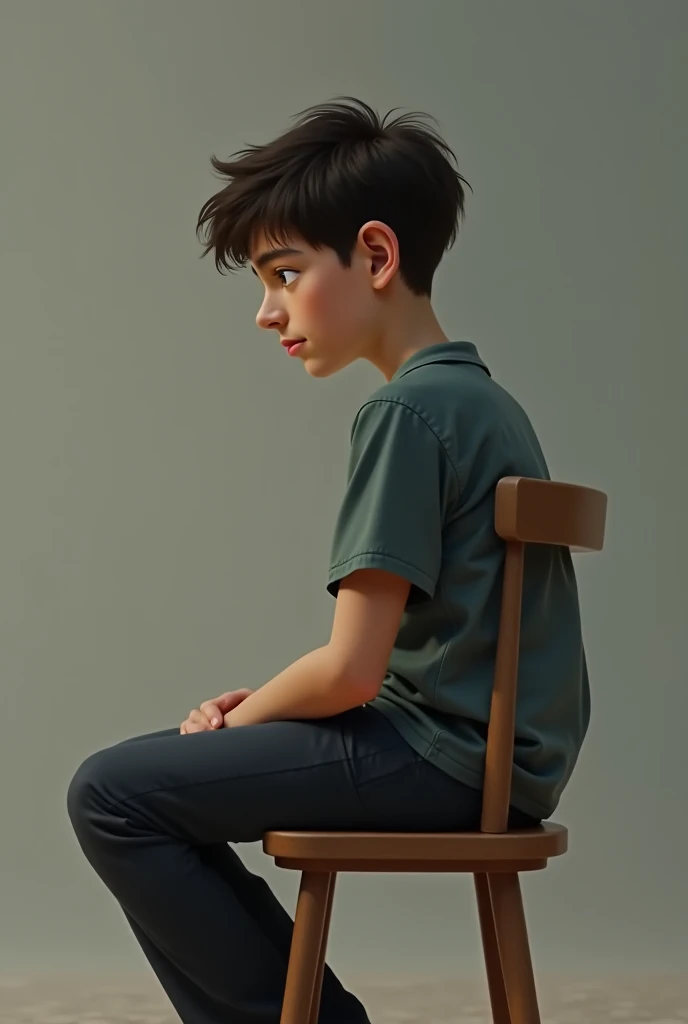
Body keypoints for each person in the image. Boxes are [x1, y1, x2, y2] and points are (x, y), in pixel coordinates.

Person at [67, 96, 589, 1024]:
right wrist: (248, 714)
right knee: (139, 780)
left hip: (440, 758)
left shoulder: (405, 416)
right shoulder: (487, 402)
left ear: (377, 257)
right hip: (498, 760)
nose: (268, 313)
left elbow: (352, 672)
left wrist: (235, 719)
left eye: (284, 273)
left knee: (112, 792)